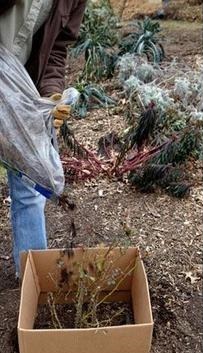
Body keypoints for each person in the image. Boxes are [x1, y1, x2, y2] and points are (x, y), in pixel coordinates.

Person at [0, 0, 86, 274]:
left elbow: (57, 48)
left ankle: (33, 280)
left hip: (23, 88)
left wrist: (51, 94)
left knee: (32, 179)